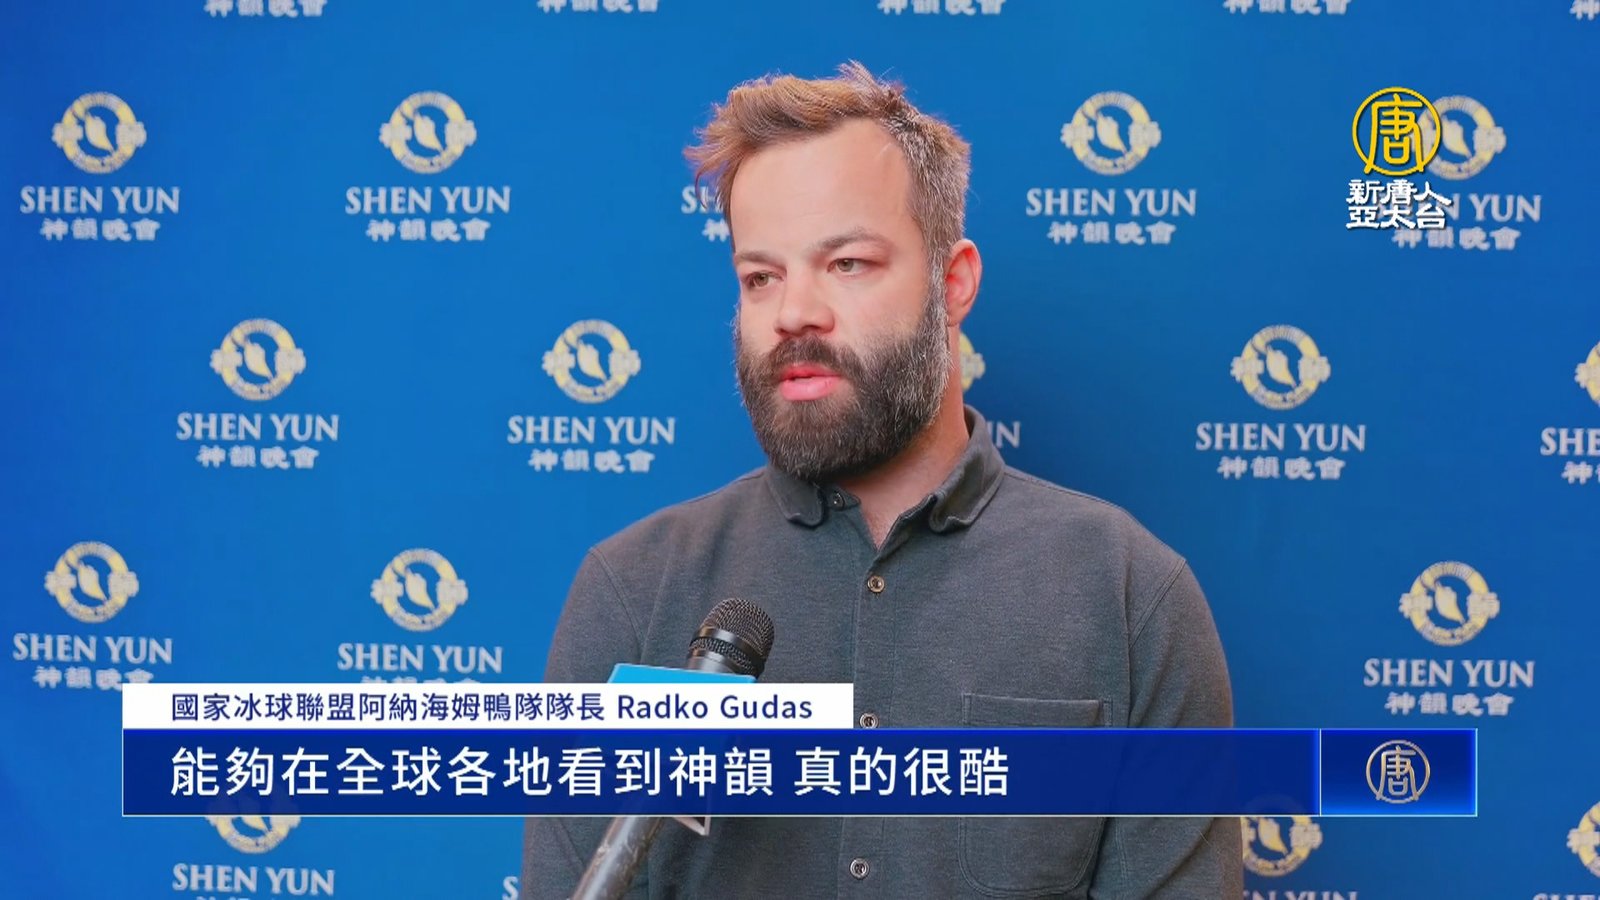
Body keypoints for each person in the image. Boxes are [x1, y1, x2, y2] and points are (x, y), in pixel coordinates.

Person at [521, 60, 1240, 899]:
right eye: (761, 277)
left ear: (952, 282)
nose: (794, 312)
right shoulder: (633, 591)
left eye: (848, 263)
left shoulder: (1127, 594)